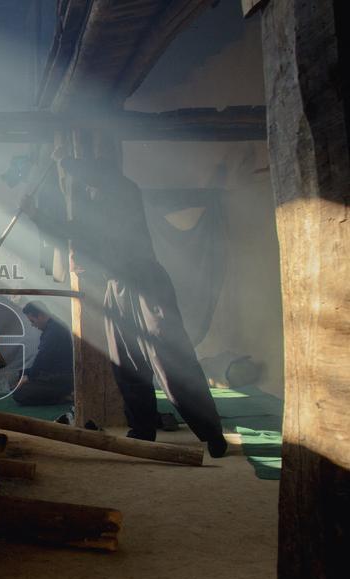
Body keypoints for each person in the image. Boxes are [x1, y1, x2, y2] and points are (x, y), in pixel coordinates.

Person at [21, 146, 229, 458]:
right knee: (126, 362)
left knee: (170, 359)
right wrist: (36, 215)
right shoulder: (93, 211)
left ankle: (211, 434)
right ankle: (143, 429)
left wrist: (62, 159)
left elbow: (94, 175)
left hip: (147, 285)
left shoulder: (124, 190)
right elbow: (71, 230)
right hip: (116, 289)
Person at [11, 301, 74, 406]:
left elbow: (42, 360)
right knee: (21, 374)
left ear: (41, 316)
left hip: (61, 378)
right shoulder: (53, 326)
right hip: (55, 373)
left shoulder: (54, 331)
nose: (32, 325)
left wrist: (29, 376)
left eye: (32, 321)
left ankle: (65, 395)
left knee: (20, 394)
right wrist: (26, 374)